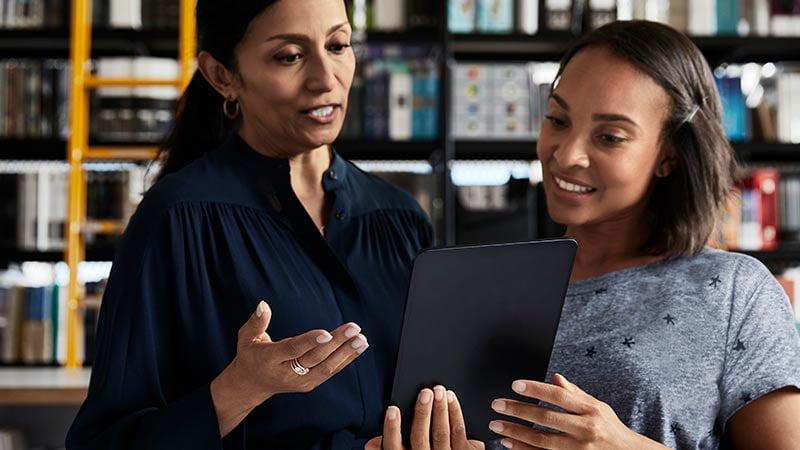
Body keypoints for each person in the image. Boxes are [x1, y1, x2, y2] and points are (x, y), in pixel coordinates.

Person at [65, 0, 441, 448]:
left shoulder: (401, 219)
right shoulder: (175, 220)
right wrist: (238, 390)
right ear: (223, 75)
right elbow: (102, 442)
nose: (326, 79)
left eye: (338, 45)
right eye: (290, 56)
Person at [484, 20, 800, 450]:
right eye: (558, 119)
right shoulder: (490, 283)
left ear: (669, 155)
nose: (567, 154)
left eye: (610, 137)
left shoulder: (735, 293)